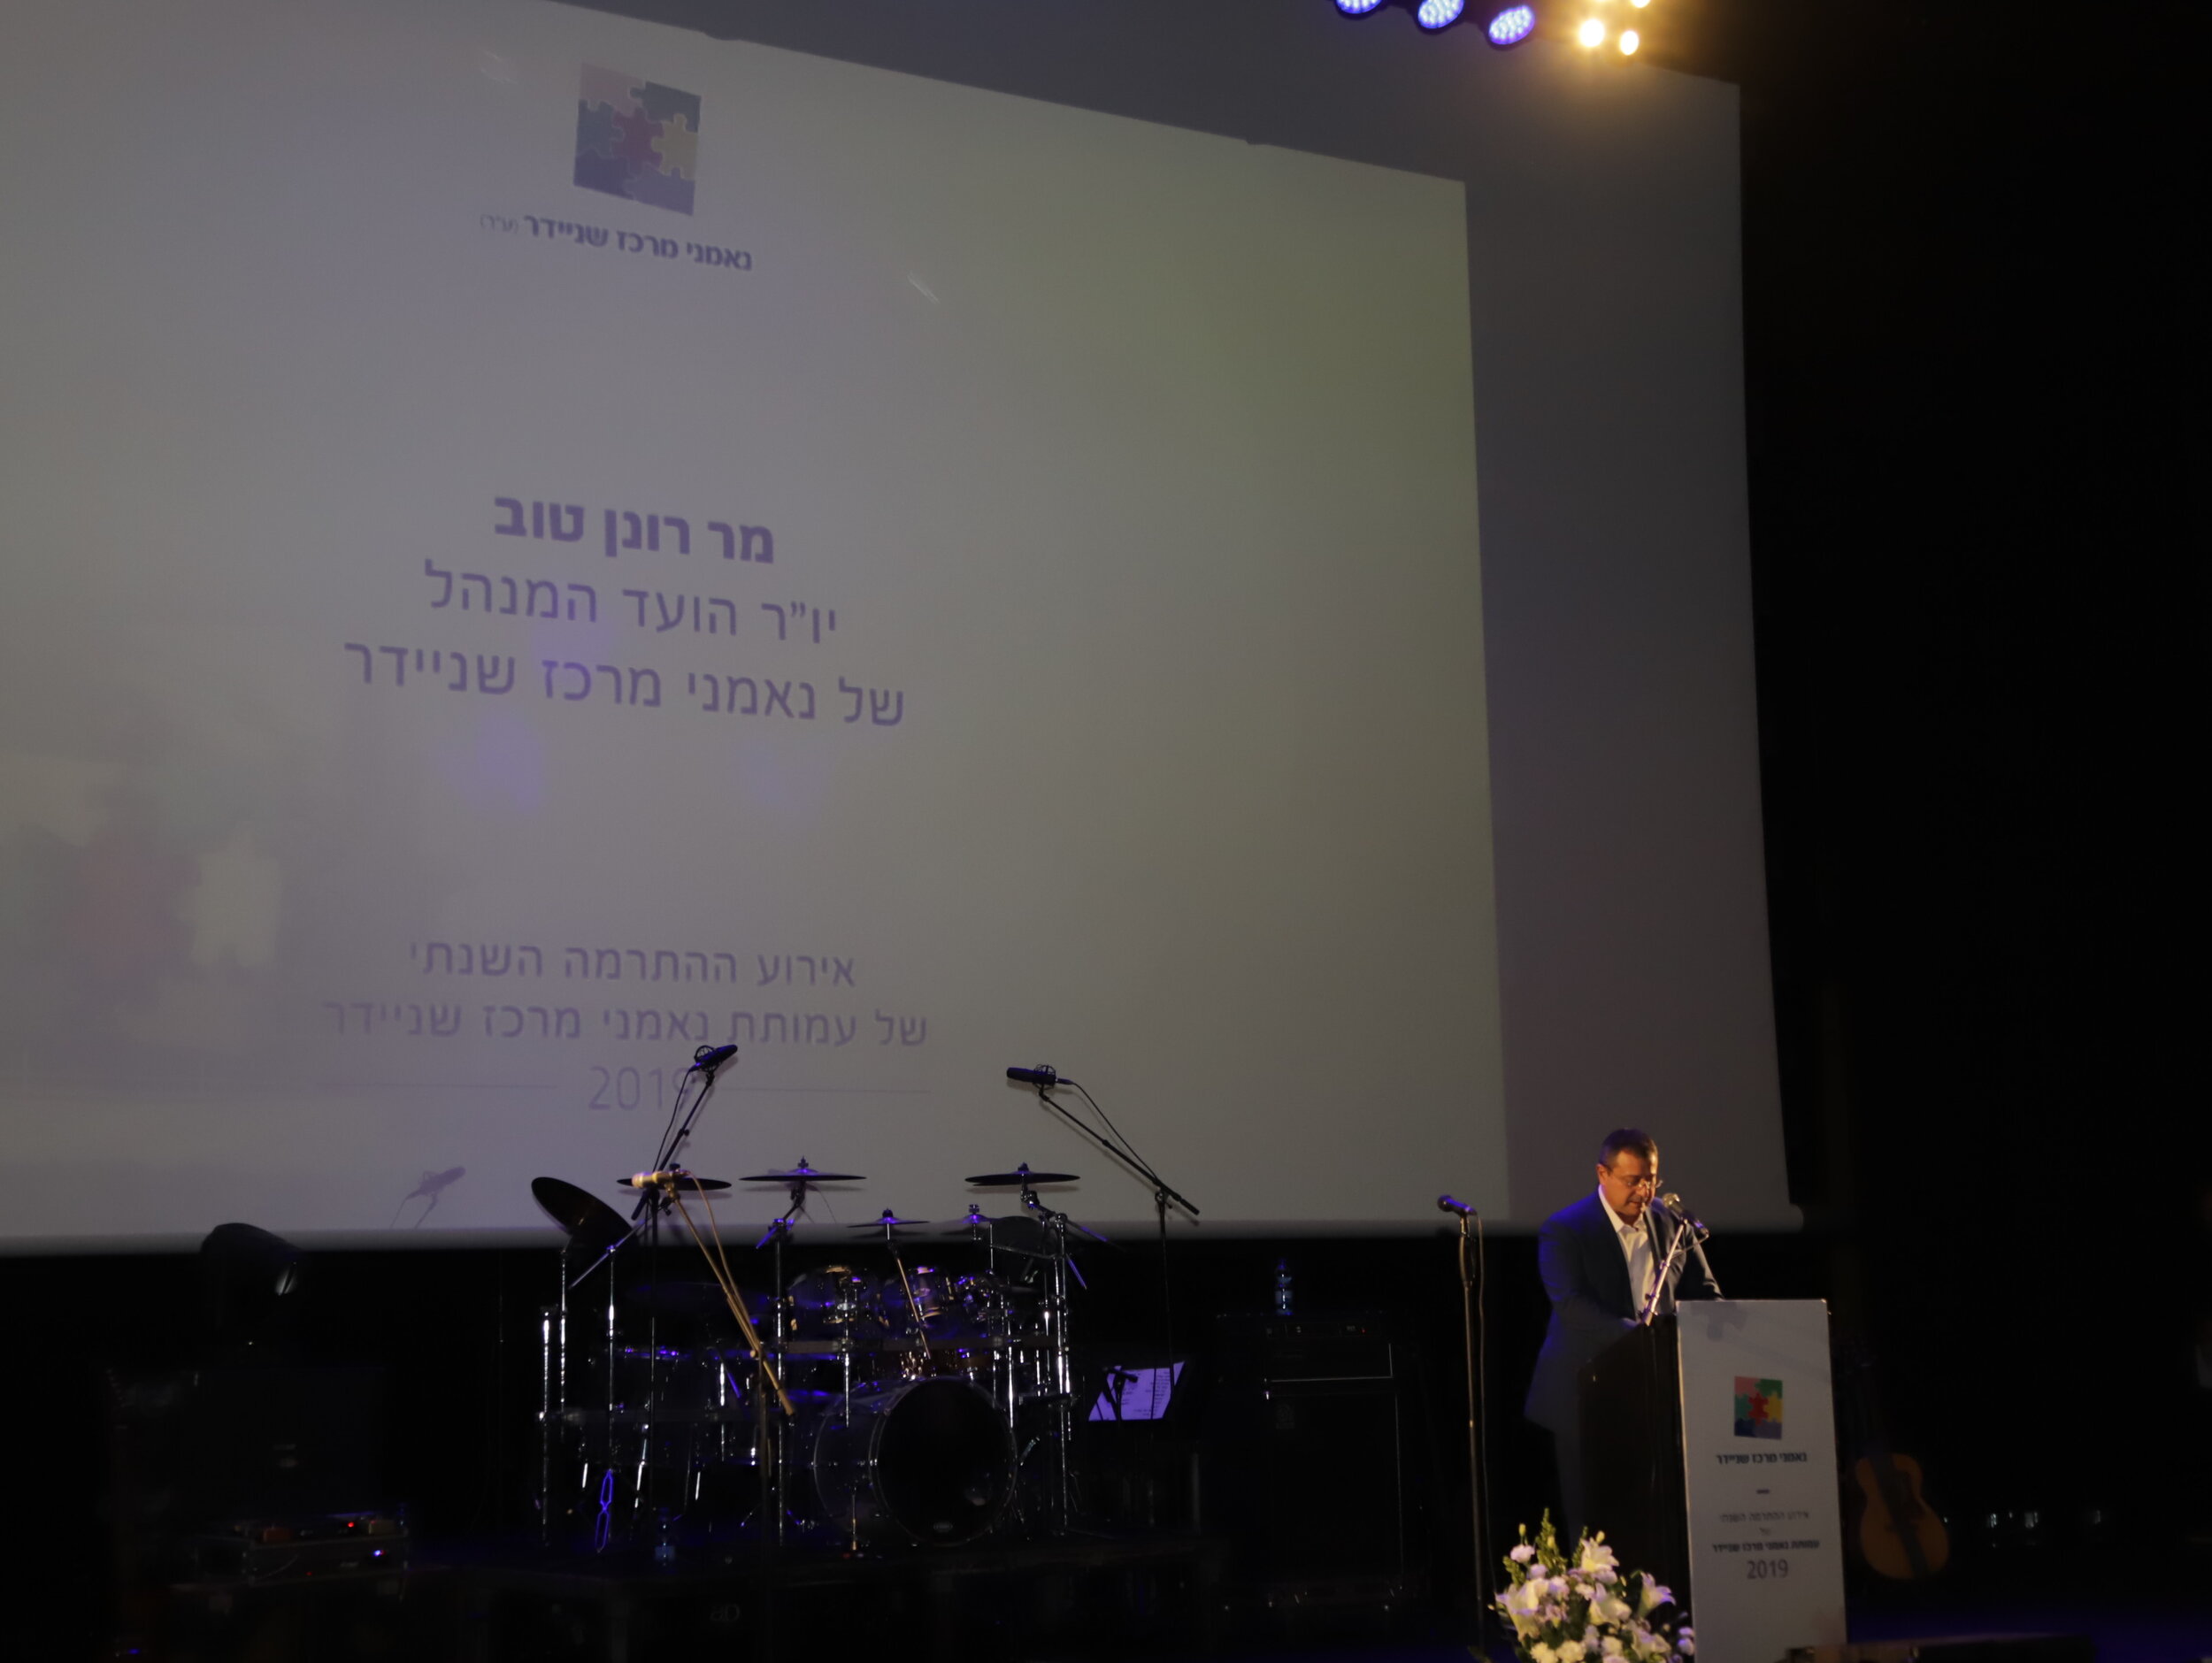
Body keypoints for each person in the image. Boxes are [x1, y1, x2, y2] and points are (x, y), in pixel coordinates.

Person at [1523, 1128, 1718, 1543]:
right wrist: (1641, 1340)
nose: (1644, 1192)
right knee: (1591, 1520)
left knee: (1656, 1515)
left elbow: (1706, 1293)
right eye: (1633, 1181)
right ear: (1603, 1174)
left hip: (1657, 1391)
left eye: (1651, 1180)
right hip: (1584, 1391)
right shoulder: (1565, 1229)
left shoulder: (1672, 1223)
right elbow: (1572, 1306)